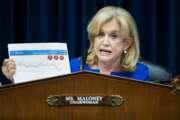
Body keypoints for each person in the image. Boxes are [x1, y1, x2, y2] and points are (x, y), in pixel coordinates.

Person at [1, 6, 149, 84]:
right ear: (92, 38)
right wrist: (16, 78)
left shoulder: (139, 73)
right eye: (99, 34)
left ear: (127, 43)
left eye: (114, 36)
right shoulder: (72, 67)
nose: (104, 42)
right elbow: (42, 98)